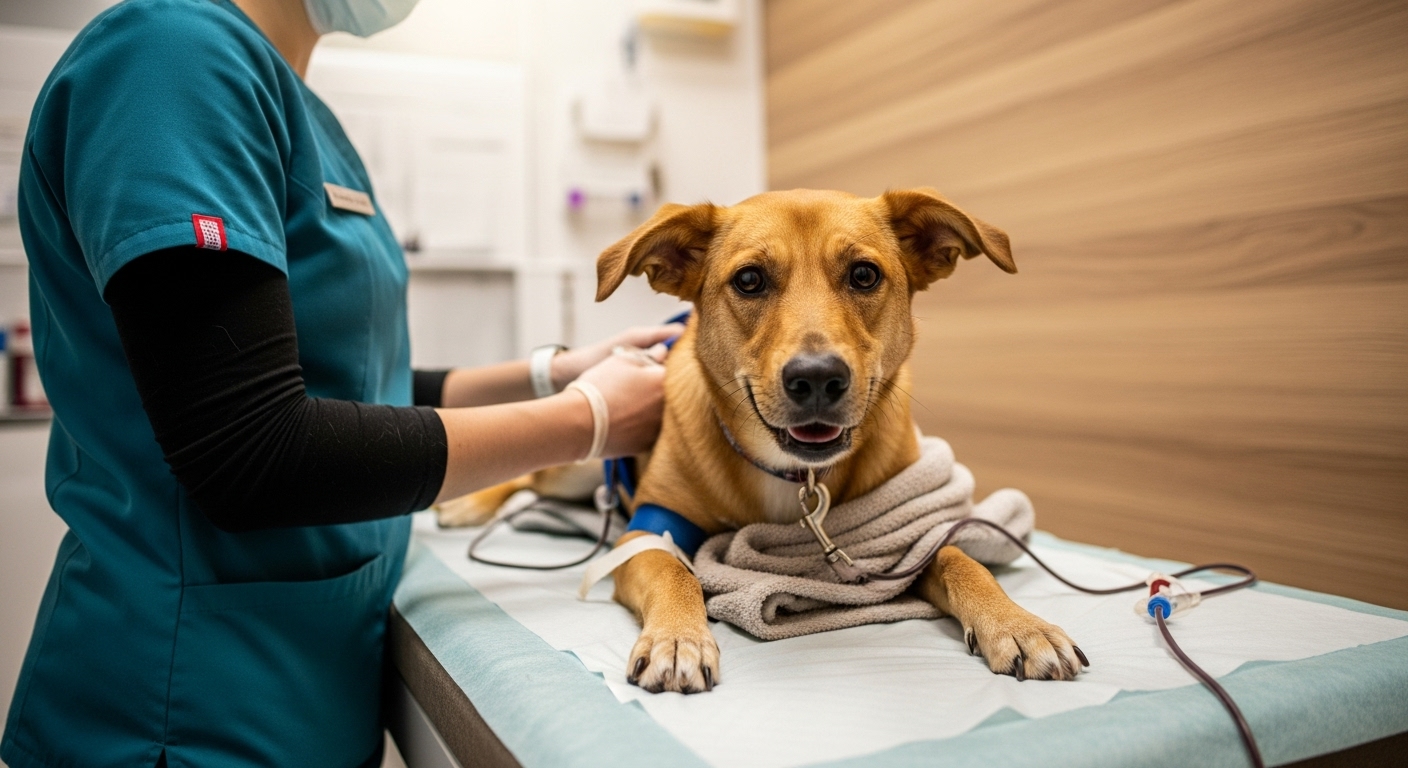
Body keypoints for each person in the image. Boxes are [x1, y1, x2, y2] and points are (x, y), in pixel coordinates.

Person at [0, 0, 678, 766]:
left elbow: (358, 380)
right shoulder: (171, 60)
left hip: (305, 693)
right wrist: (586, 420)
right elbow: (253, 450)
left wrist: (553, 371)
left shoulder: (290, 100)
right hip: (181, 712)